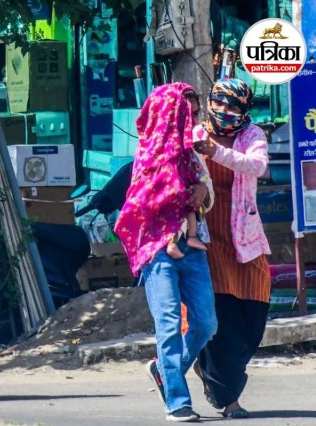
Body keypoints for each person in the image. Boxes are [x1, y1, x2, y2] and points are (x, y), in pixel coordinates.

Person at [114, 83, 217, 422]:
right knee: (169, 324)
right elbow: (141, 205)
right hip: (158, 251)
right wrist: (181, 197)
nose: (193, 120)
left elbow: (207, 197)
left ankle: (165, 371)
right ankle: (177, 401)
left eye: (194, 113)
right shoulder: (148, 157)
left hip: (192, 247)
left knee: (206, 323)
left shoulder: (191, 155)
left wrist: (200, 191)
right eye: (187, 113)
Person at [193, 79, 271, 419]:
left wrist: (216, 152)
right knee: (223, 322)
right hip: (209, 240)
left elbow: (257, 166)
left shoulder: (252, 135)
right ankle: (229, 399)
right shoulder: (195, 133)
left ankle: (208, 370)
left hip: (247, 240)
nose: (225, 111)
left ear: (244, 111)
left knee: (253, 321)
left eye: (234, 107)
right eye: (220, 104)